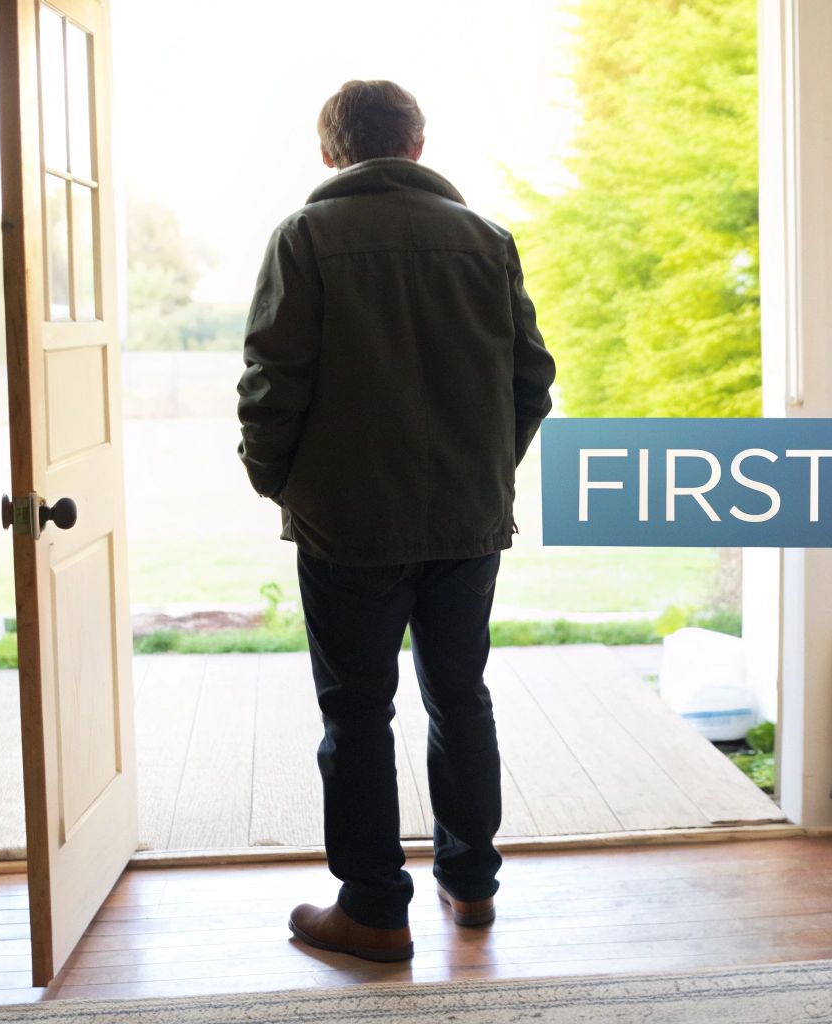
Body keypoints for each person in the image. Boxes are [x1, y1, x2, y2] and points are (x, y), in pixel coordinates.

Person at [235, 80, 556, 963]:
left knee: (358, 716)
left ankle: (376, 910)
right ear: (417, 145)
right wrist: (483, 472)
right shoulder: (486, 241)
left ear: (332, 154)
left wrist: (282, 483)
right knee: (461, 697)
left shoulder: (305, 238)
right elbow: (533, 380)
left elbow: (272, 381)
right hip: (466, 520)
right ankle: (471, 886)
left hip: (348, 526)